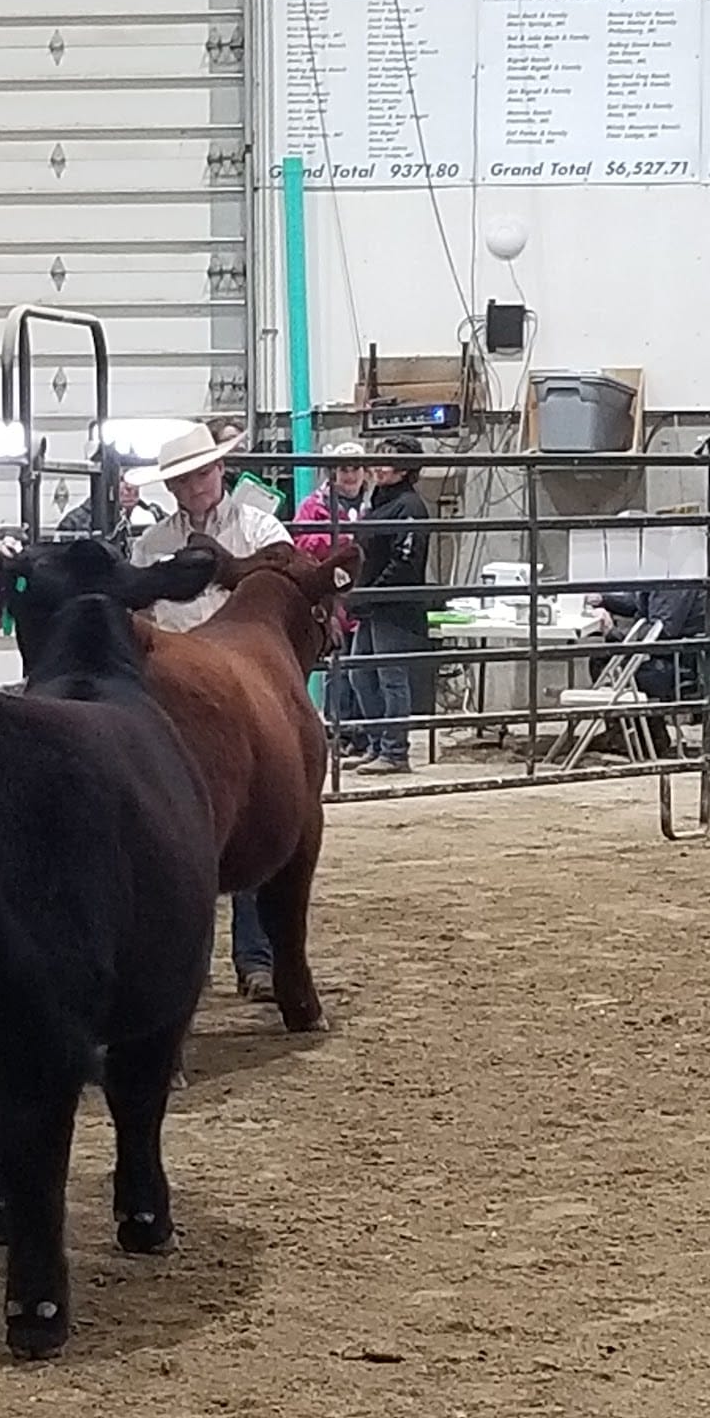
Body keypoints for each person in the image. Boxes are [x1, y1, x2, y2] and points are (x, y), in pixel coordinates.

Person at [131, 422, 290, 999]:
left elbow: (281, 591)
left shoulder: (260, 530)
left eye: (202, 473)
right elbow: (139, 611)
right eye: (183, 479)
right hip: (177, 688)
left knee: (248, 816)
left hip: (240, 685)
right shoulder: (152, 544)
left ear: (220, 470)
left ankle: (255, 957)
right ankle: (192, 964)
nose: (195, 486)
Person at [345, 438, 432, 776]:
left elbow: (405, 562)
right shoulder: (379, 502)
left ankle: (395, 750)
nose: (379, 467)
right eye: (378, 459)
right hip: (373, 602)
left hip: (393, 606)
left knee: (390, 677)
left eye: (388, 461)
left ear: (406, 469)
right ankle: (378, 743)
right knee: (360, 673)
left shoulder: (409, 507)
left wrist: (371, 592)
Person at [294, 442, 368, 758]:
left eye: (355, 468)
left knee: (362, 669)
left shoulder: (374, 504)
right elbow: (301, 540)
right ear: (332, 472)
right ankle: (340, 731)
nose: (349, 475)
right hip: (331, 596)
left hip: (365, 594)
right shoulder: (314, 505)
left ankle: (363, 733)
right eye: (343, 468)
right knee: (336, 668)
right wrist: (339, 541)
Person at [588, 581, 707, 757]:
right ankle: (642, 733)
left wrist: (613, 632)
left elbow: (661, 631)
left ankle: (637, 735)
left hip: (677, 662)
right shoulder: (667, 575)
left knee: (606, 662)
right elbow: (637, 601)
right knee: (602, 658)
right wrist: (603, 600)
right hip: (665, 654)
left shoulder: (676, 583)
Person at [56, 467, 160, 557]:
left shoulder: (155, 515)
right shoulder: (74, 523)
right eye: (121, 479)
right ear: (106, 484)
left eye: (134, 479)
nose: (129, 487)